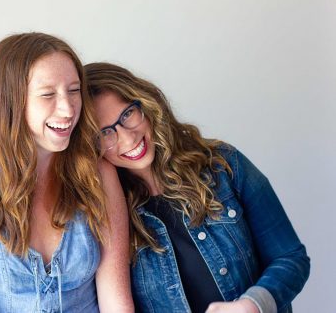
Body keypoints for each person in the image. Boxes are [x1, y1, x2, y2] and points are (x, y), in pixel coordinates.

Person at [84, 62, 310, 313]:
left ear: (145, 105)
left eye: (127, 115)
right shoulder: (107, 215)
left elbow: (291, 258)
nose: (127, 138)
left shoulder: (224, 165)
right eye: (105, 133)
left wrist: (253, 305)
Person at [0, 33, 134, 313]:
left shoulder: (98, 176)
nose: (67, 109)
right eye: (48, 94)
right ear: (11, 103)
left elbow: (117, 303)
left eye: (74, 90)